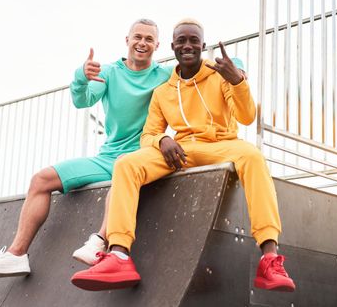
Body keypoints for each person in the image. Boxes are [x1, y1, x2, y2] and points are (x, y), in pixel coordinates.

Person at [71, 18, 296, 292]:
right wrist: (163, 139)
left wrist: (237, 80)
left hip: (223, 144)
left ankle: (269, 257)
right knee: (127, 164)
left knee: (253, 157)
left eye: (193, 41)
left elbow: (247, 117)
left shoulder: (220, 75)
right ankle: (118, 255)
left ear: (203, 46)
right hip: (181, 150)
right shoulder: (163, 91)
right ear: (172, 46)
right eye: (181, 41)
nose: (187, 45)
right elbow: (148, 135)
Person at [0, 19, 173, 277]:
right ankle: (16, 255)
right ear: (127, 40)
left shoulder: (165, 75)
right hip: (107, 157)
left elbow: (201, 70)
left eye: (148, 39)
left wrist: (237, 66)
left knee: (124, 171)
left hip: (140, 157)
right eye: (137, 37)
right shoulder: (110, 72)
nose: (142, 43)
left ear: (157, 45)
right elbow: (83, 100)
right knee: (41, 179)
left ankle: (100, 243)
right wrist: (81, 77)